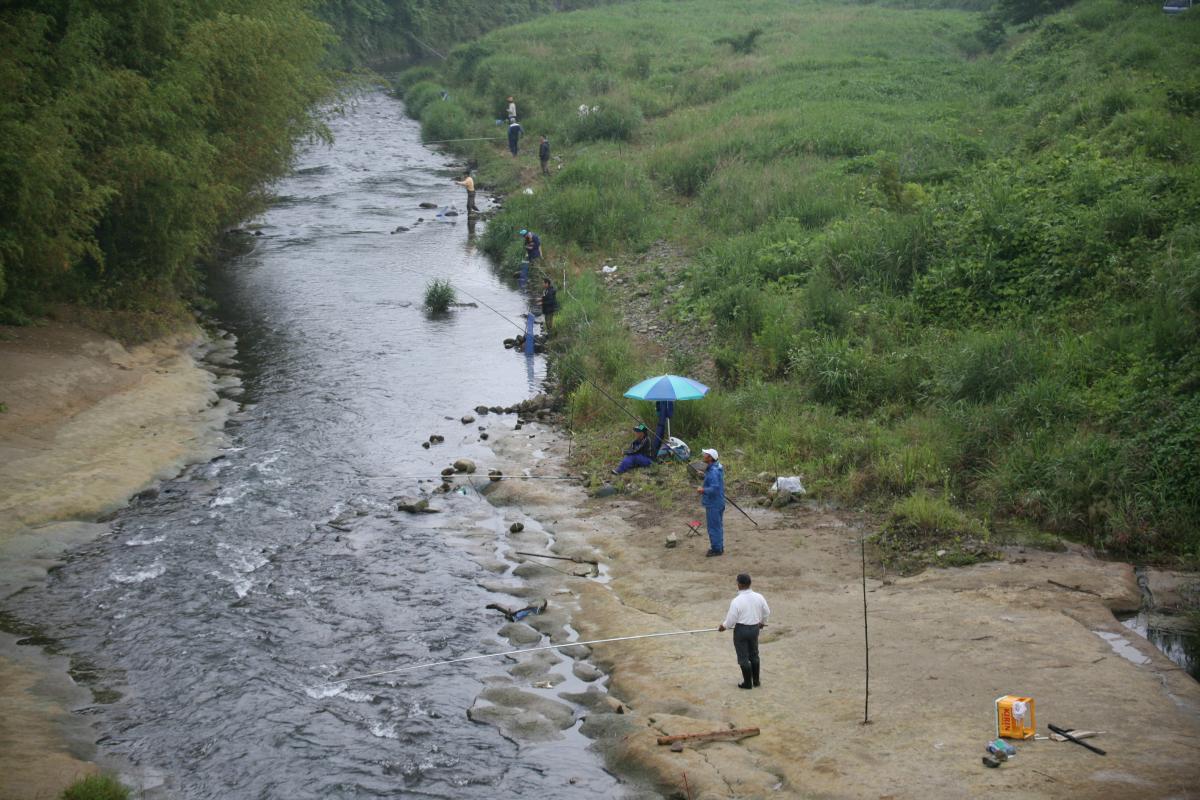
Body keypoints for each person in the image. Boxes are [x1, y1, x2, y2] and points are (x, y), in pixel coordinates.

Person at [718, 573, 770, 689]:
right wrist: (762, 622)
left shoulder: (737, 601)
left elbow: (731, 620)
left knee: (743, 657)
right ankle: (756, 681)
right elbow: (767, 612)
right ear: (749, 583)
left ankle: (747, 683)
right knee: (754, 654)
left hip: (741, 630)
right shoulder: (759, 597)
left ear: (740, 584)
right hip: (754, 629)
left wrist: (723, 626)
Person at [697, 448, 725, 556]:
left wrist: (702, 490)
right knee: (717, 526)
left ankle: (717, 549)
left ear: (710, 458)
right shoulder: (716, 467)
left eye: (706, 454)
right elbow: (714, 479)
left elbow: (714, 488)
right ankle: (719, 547)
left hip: (714, 504)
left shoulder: (713, 471)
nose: (703, 455)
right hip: (718, 502)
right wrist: (704, 475)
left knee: (713, 527)